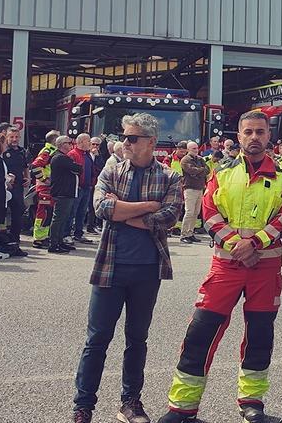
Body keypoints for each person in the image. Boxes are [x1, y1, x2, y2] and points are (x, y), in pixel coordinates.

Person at [158, 110, 282, 423]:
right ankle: (182, 408)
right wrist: (239, 246)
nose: (254, 138)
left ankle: (252, 404)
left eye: (260, 132)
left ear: (268, 135)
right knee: (200, 333)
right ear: (238, 135)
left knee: (260, 337)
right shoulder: (220, 171)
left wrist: (255, 244)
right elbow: (209, 212)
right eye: (248, 132)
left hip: (265, 269)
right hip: (226, 267)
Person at [72, 113, 184, 423]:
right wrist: (149, 206)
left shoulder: (170, 177)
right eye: (125, 137)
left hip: (147, 269)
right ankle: (83, 406)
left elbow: (170, 217)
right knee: (97, 340)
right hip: (111, 265)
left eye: (132, 138)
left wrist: (125, 212)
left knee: (137, 339)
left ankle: (130, 402)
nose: (125, 143)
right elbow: (102, 208)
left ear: (150, 142)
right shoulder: (112, 170)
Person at [48, 136, 79, 253]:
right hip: (62, 192)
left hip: (66, 192)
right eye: (69, 143)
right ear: (61, 144)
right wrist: (75, 167)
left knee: (63, 218)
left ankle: (59, 242)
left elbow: (77, 169)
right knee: (58, 219)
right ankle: (53, 244)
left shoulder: (64, 158)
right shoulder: (60, 157)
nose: (71, 145)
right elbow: (77, 168)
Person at [31, 130, 61, 248]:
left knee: (48, 213)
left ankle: (43, 236)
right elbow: (35, 166)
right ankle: (38, 239)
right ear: (54, 140)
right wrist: (44, 180)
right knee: (43, 213)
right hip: (44, 188)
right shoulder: (48, 151)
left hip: (49, 187)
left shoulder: (52, 151)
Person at [2, 127, 28, 256]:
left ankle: (15, 242)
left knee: (18, 215)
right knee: (1, 216)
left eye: (16, 137)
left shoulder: (22, 151)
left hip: (18, 188)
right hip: (4, 188)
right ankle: (1, 243)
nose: (14, 139)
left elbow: (25, 167)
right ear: (6, 137)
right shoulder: (3, 151)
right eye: (11, 137)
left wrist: (27, 178)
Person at [67, 134, 95, 245]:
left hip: (87, 187)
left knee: (82, 212)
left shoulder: (87, 155)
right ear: (81, 142)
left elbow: (92, 169)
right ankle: (67, 234)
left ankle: (78, 233)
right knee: (72, 211)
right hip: (77, 188)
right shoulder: (73, 154)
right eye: (88, 141)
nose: (90, 143)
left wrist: (92, 182)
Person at [180, 141, 210, 244]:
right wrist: (200, 171)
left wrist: (199, 171)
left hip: (199, 188)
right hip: (190, 188)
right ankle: (184, 234)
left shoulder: (200, 159)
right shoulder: (185, 160)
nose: (196, 150)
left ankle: (190, 233)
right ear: (188, 149)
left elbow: (208, 170)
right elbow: (191, 170)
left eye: (197, 148)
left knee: (196, 212)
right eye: (193, 148)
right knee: (189, 212)